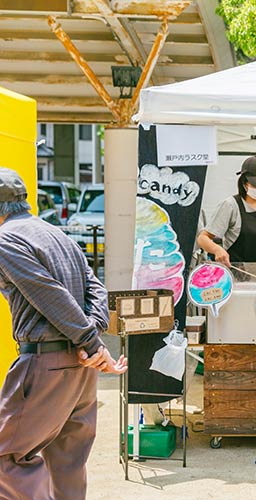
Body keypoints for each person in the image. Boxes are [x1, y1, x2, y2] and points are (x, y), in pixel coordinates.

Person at [0, 167, 127, 500]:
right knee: (68, 461)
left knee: (7, 457)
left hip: (45, 365)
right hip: (81, 371)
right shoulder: (58, 235)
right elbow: (94, 286)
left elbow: (47, 293)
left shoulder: (6, 240)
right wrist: (93, 342)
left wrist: (91, 343)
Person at [197, 156, 256, 266]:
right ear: (245, 183)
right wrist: (217, 249)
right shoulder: (230, 206)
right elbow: (202, 238)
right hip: (236, 275)